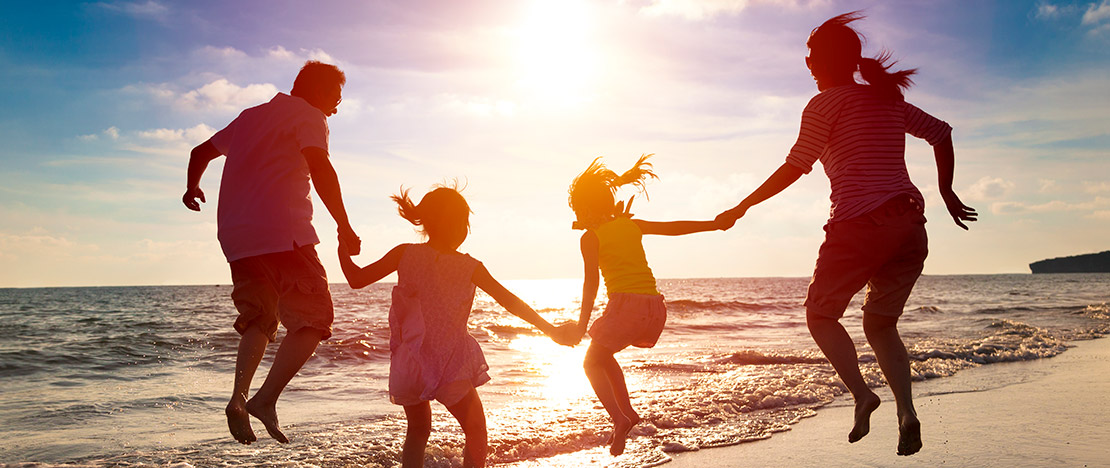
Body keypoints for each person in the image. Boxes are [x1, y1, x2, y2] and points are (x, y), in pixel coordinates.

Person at [715, 12, 978, 456]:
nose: (807, 61)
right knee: (880, 323)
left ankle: (862, 395)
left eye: (813, 55)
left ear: (828, 62)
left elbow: (796, 166)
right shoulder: (885, 100)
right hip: (911, 227)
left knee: (820, 315)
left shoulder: (825, 104)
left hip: (860, 224)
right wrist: (947, 192)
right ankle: (906, 413)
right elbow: (941, 133)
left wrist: (743, 205)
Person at [182, 60, 361, 445]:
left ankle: (238, 397)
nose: (336, 106)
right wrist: (344, 225)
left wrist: (191, 188)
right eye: (335, 96)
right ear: (315, 90)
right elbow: (321, 166)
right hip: (285, 233)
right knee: (315, 319)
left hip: (237, 239)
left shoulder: (250, 117)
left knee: (260, 318)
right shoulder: (309, 115)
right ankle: (265, 400)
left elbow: (200, 152)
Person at [338, 184, 578, 468]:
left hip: (410, 363)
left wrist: (343, 247)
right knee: (475, 427)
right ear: (453, 223)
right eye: (464, 221)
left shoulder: (404, 253)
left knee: (417, 431)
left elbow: (355, 278)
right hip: (449, 362)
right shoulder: (470, 266)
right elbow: (509, 301)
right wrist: (550, 330)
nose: (466, 229)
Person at [567, 155, 728, 456]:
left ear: (587, 209)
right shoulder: (632, 225)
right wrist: (714, 224)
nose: (577, 216)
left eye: (577, 210)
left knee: (590, 363)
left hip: (625, 307)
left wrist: (579, 325)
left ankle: (619, 417)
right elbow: (674, 228)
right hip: (654, 309)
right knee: (603, 354)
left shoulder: (591, 238)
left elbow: (591, 285)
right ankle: (627, 413)